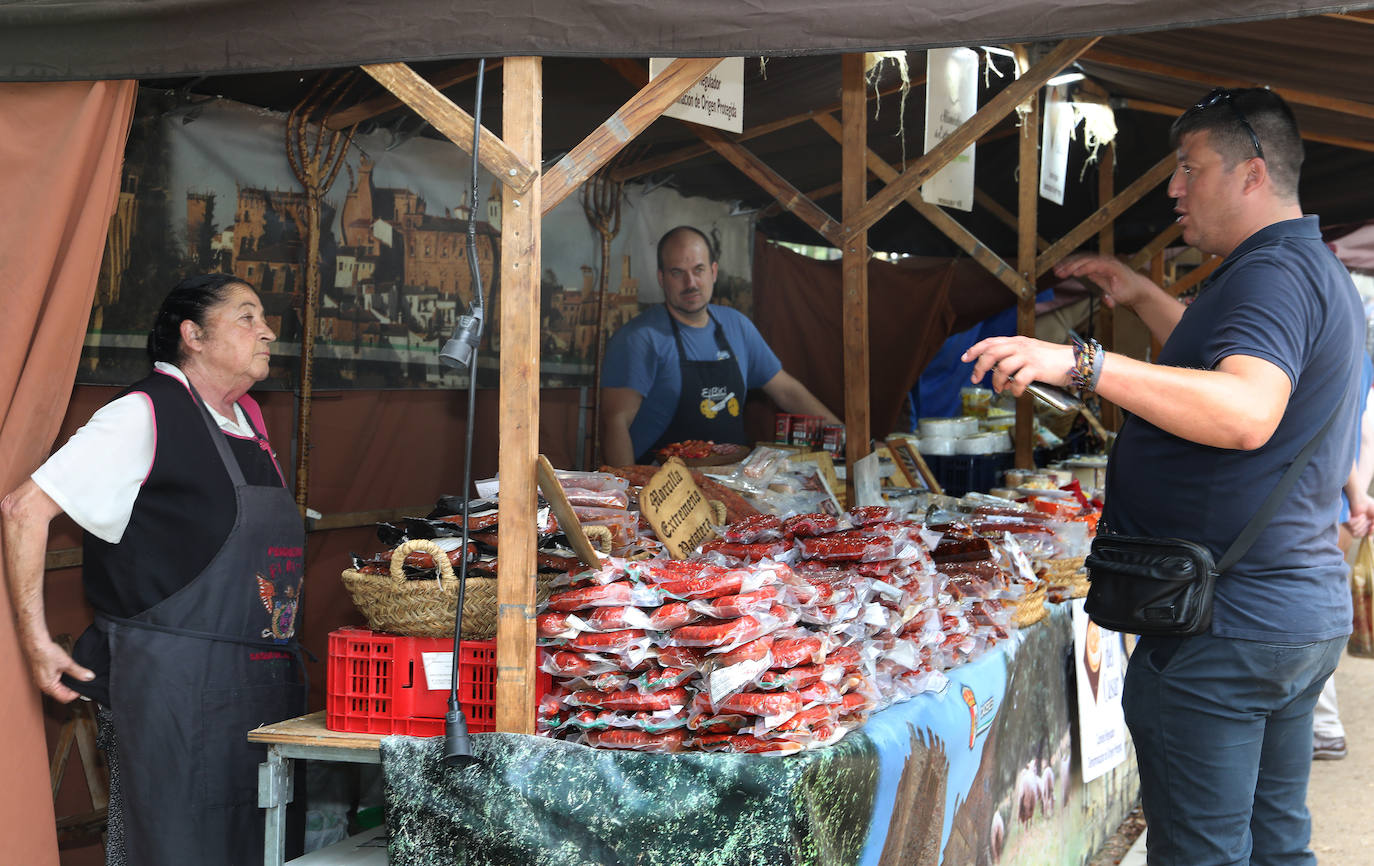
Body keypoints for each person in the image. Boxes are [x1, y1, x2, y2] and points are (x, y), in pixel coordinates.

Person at [963, 88, 1361, 864]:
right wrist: (1142, 296)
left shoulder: (1270, 274)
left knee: (1203, 851)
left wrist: (1082, 364)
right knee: (1276, 842)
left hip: (1227, 624)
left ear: (1252, 174)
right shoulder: (1309, 267)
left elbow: (1246, 407)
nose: (1174, 187)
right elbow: (1235, 365)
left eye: (1189, 167)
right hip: (1288, 610)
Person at [2, 274, 305, 865]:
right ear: (192, 335)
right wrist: (36, 643)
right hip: (170, 691)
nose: (267, 331)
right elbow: (23, 510)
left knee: (259, 848)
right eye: (246, 317)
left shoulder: (251, 423)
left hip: (261, 687)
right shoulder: (143, 413)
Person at [600, 225, 839, 466]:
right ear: (661, 278)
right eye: (677, 272)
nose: (690, 282)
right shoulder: (638, 339)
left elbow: (788, 391)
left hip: (731, 483)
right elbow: (615, 423)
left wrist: (846, 436)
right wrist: (628, 492)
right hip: (663, 487)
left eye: (699, 269)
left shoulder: (736, 326)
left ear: (713, 272)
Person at [1313, 352, 1374, 761]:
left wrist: (1356, 499)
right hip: (1332, 501)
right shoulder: (1357, 352)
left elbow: (1362, 432)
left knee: (1310, 608)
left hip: (1317, 503)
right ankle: (1323, 725)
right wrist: (1357, 496)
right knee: (1317, 603)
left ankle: (1324, 726)